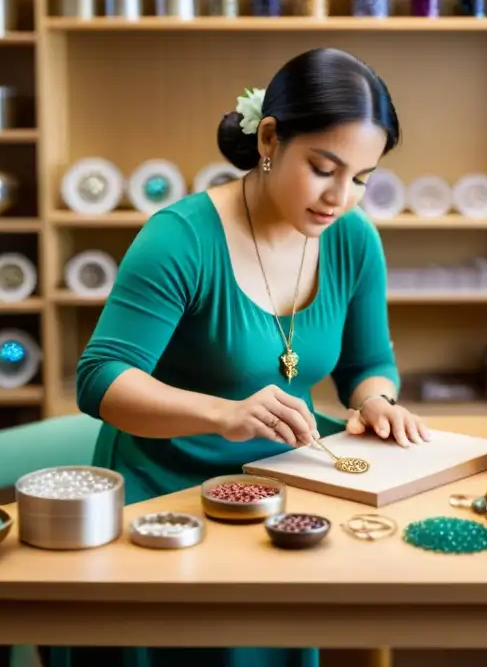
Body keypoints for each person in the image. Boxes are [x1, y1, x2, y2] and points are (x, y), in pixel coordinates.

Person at [43, 46, 430, 667]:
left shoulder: (353, 239)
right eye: (323, 168)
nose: (339, 198)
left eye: (360, 179)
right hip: (165, 497)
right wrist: (225, 414)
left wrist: (376, 401)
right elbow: (100, 380)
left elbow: (366, 363)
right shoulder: (180, 237)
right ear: (271, 138)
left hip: (286, 489)